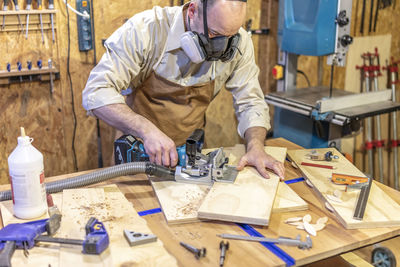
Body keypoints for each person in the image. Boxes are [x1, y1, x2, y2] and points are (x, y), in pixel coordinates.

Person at [82, 0, 285, 179]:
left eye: (229, 36)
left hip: (190, 159)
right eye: (214, 34)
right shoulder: (146, 30)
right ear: (193, 11)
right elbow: (96, 91)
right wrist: (146, 131)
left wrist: (256, 146)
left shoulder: (238, 41)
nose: (221, 48)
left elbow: (251, 101)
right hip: (138, 155)